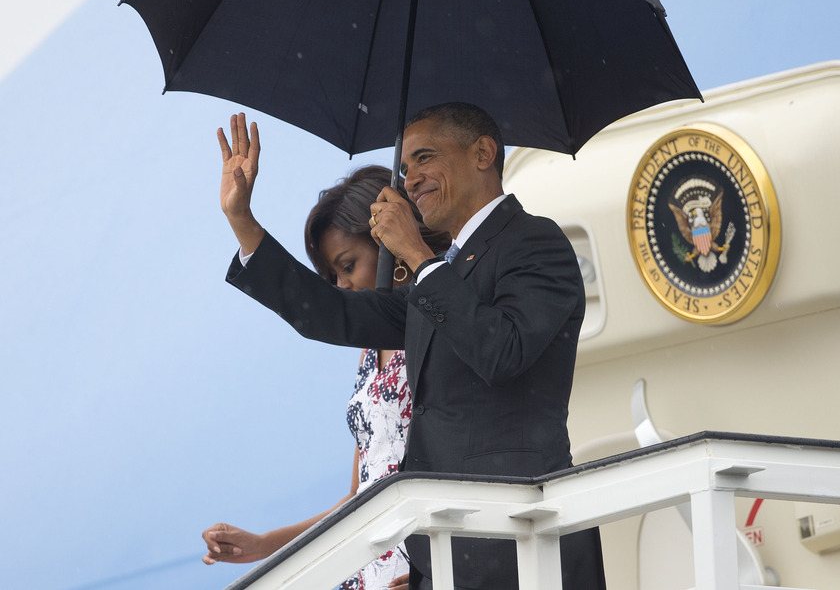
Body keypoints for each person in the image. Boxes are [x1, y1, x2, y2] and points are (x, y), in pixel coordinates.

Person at [218, 104, 606, 590]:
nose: (411, 178)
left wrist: (419, 257)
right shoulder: (440, 272)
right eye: (405, 168)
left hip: (521, 547)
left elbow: (501, 353)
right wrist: (243, 222)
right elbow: (334, 313)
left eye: (425, 158)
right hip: (440, 555)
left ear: (483, 152)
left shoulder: (535, 242)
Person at [202, 165, 449, 589]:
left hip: (430, 561)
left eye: (347, 265)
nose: (342, 285)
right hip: (371, 563)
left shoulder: (443, 321)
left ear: (386, 243)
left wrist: (436, 572)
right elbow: (359, 496)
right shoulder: (368, 357)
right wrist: (263, 545)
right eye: (332, 277)